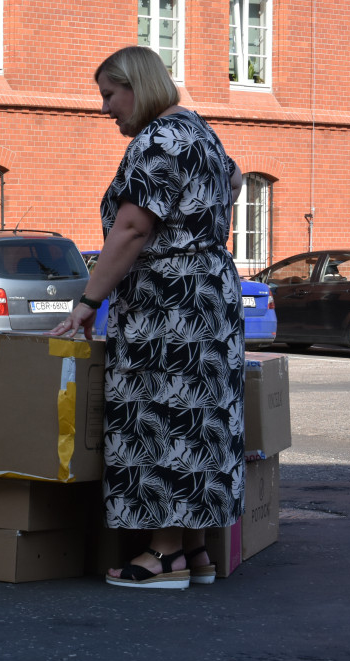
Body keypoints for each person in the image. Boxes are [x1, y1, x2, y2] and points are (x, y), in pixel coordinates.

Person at [50, 46, 245, 589]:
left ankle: (160, 555)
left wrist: (88, 301)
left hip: (168, 300)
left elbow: (133, 229)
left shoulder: (157, 140)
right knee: (203, 415)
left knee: (163, 414)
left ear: (137, 87)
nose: (105, 107)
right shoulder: (200, 132)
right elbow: (231, 180)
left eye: (110, 95)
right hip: (210, 289)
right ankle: (194, 550)